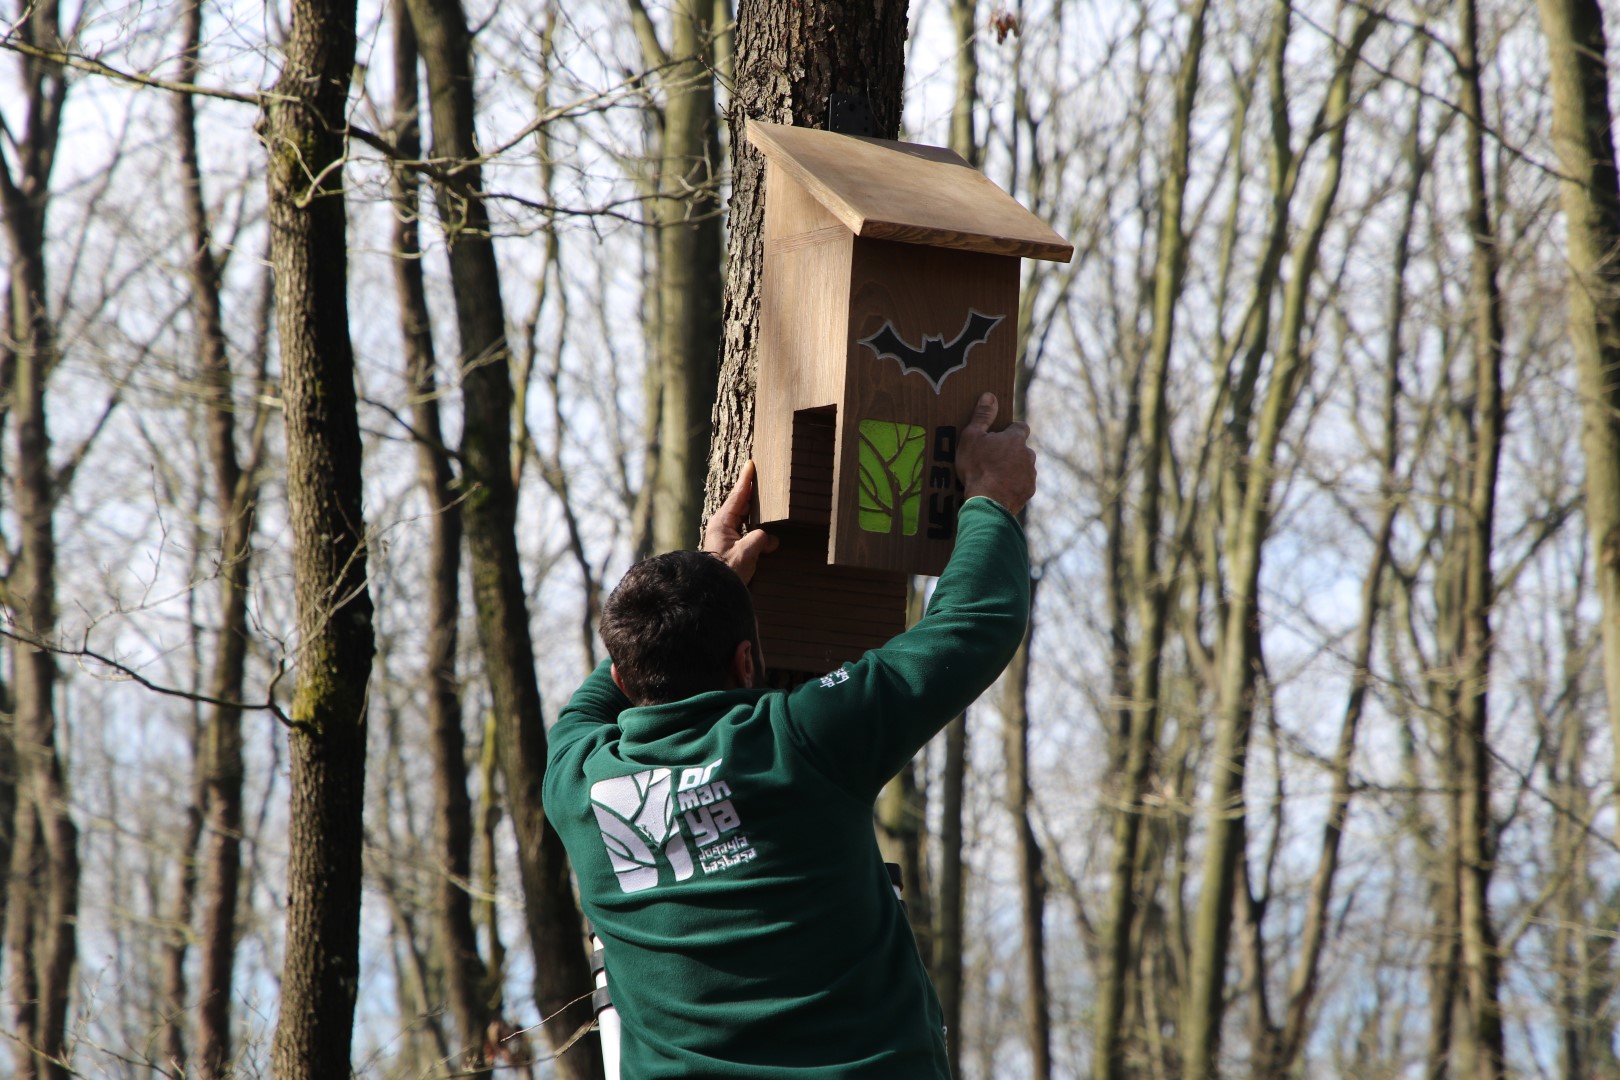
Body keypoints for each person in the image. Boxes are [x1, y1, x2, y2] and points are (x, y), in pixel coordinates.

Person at [543, 392, 1036, 1078]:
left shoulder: (579, 786)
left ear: (625, 680)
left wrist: (700, 591)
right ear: (746, 662)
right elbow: (973, 623)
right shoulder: (798, 742)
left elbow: (596, 700)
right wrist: (989, 498)